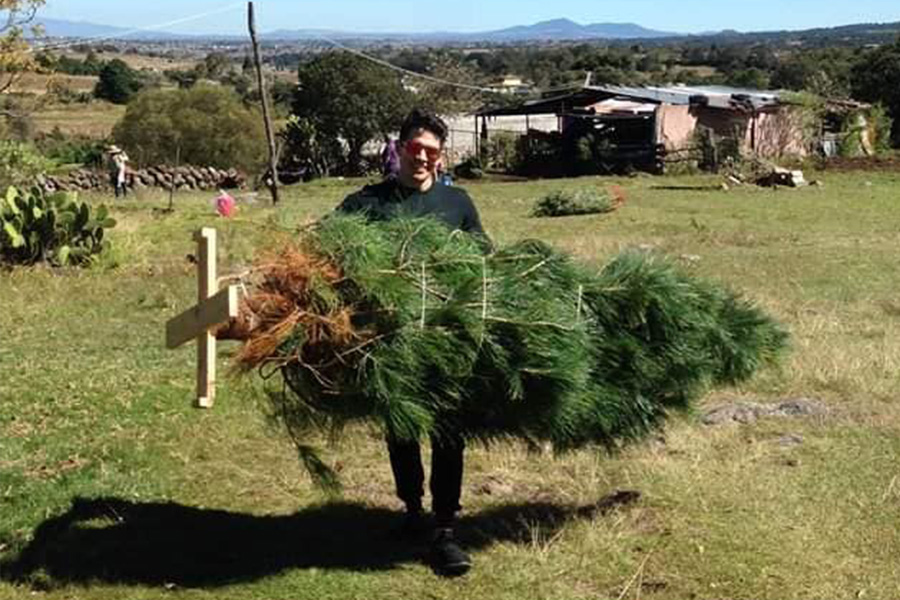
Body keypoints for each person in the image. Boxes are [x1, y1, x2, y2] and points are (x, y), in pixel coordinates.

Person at [336, 108, 488, 577]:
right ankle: (411, 510)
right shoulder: (366, 204)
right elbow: (327, 246)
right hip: (391, 340)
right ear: (399, 148)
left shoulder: (457, 203)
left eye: (431, 152)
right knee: (400, 429)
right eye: (415, 148)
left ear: (440, 158)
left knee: (447, 433)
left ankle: (445, 529)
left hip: (445, 338)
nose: (422, 158)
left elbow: (483, 256)